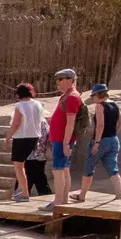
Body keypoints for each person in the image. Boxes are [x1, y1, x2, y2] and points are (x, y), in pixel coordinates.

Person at [48, 68, 83, 207]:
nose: (58, 83)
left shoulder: (72, 97)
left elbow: (71, 122)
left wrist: (65, 142)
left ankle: (58, 201)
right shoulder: (66, 96)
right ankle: (63, 199)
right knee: (64, 169)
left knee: (58, 170)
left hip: (62, 140)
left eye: (61, 79)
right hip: (59, 139)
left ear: (70, 80)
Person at [8, 81, 47, 201]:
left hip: (21, 137)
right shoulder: (38, 104)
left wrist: (8, 137)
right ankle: (23, 192)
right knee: (23, 165)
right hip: (35, 136)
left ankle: (24, 193)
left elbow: (16, 124)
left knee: (19, 166)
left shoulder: (20, 106)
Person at [90, 83, 121, 208]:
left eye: (93, 95)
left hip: (102, 140)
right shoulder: (115, 104)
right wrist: (114, 132)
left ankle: (82, 195)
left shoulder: (100, 106)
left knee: (88, 166)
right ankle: (119, 194)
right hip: (114, 139)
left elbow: (100, 125)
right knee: (113, 168)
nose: (92, 98)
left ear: (98, 95)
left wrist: (97, 143)